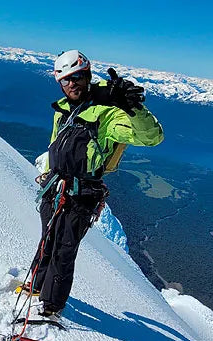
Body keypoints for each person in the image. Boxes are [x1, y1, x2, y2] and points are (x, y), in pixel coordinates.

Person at [25, 50, 164, 317]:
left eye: (76, 77)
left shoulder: (108, 115)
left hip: (82, 194)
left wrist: (132, 107)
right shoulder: (62, 110)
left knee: (64, 248)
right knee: (48, 239)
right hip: (54, 187)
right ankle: (36, 286)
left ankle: (51, 307)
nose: (71, 84)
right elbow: (55, 145)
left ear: (87, 74)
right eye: (65, 80)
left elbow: (152, 137)